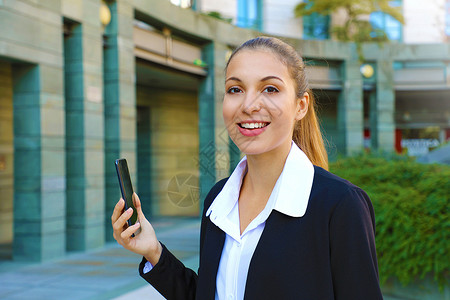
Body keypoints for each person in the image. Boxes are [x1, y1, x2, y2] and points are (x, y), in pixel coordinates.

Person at [111, 36, 383, 300]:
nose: (249, 105)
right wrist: (154, 252)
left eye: (270, 89)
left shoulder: (340, 204)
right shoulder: (218, 200)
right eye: (235, 89)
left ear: (301, 106)